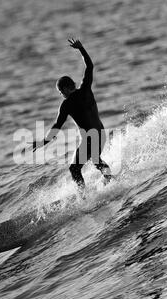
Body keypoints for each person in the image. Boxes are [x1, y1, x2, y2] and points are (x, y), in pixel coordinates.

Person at [31, 39, 112, 189]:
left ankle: (85, 196)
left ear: (68, 88)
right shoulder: (86, 88)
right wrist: (81, 48)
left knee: (74, 169)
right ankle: (109, 178)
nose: (61, 95)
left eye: (61, 91)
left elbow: (57, 126)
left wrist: (43, 142)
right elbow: (90, 66)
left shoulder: (67, 104)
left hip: (90, 138)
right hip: (101, 134)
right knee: (95, 159)